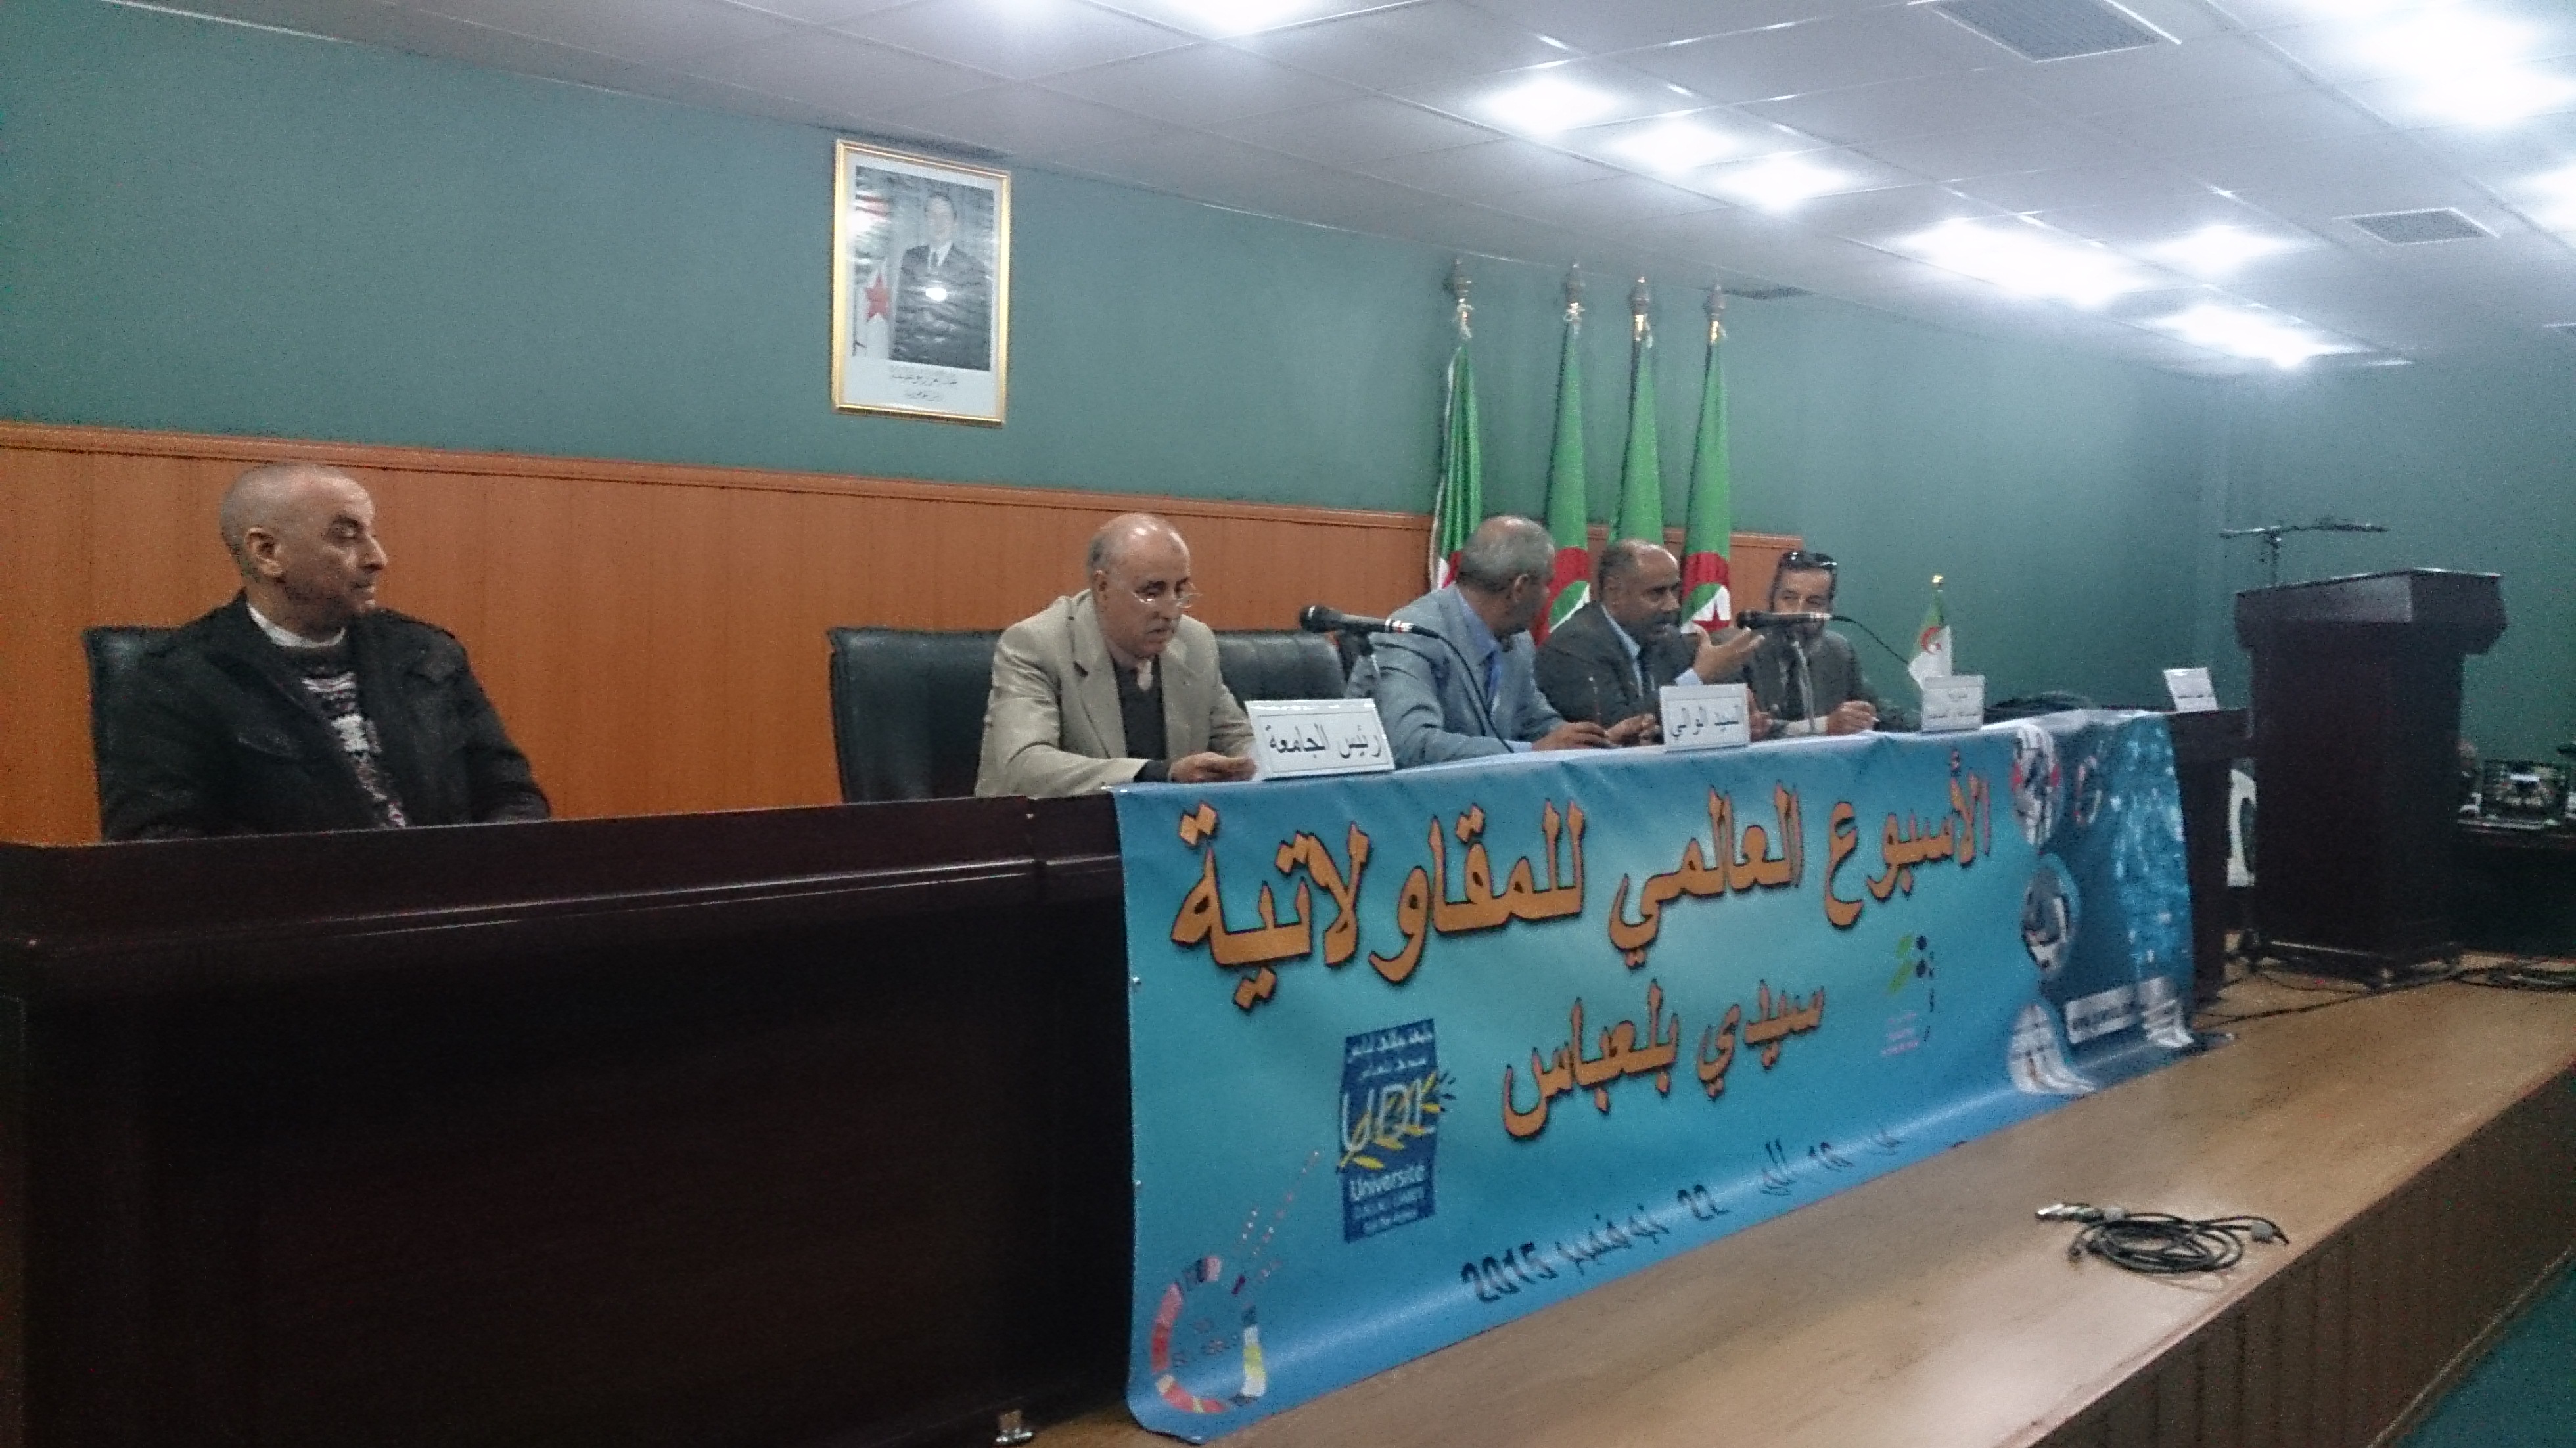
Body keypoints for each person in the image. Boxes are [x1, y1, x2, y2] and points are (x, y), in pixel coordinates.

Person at [97, 462, 548, 839]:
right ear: (267, 552)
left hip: (445, 903)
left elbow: (512, 794)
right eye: (346, 536)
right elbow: (162, 847)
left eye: (370, 533)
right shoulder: (175, 679)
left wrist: (484, 873)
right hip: (292, 913)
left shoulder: (426, 654)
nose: (377, 558)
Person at [977, 514, 1256, 797]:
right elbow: (1024, 768)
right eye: (1152, 592)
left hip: (1165, 822)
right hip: (1055, 823)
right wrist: (1157, 774)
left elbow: (1237, 738)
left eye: (1180, 590)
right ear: (1103, 588)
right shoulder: (1036, 645)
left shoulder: (1195, 642)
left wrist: (1260, 759)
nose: (1172, 610)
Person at [1352, 516, 1650, 767]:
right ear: (1520, 588)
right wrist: (1531, 752)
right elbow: (1410, 743)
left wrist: (1598, 743)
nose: (1549, 595)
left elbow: (1535, 721)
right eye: (1547, 584)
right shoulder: (1412, 635)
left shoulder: (1517, 639)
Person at [1536, 538, 1766, 732]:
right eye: (1656, 593)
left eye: (1674, 590)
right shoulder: (1574, 647)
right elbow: (1616, 728)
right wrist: (1699, 677)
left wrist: (1739, 710)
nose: (1673, 606)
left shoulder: (1668, 640)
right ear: (1614, 592)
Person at [1739, 550, 1877, 738]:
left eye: (1814, 602)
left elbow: (1876, 711)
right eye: (1789, 598)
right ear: (1771, 599)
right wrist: (1825, 726)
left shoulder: (1839, 651)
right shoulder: (1739, 652)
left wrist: (1922, 721)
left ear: (1829, 609)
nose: (1798, 611)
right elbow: (1741, 730)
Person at [890, 191, 992, 371]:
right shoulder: (911, 258)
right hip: (912, 362)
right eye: (933, 216)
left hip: (954, 364)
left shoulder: (972, 267)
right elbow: (903, 314)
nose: (939, 223)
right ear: (925, 220)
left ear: (955, 222)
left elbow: (978, 329)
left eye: (944, 216)